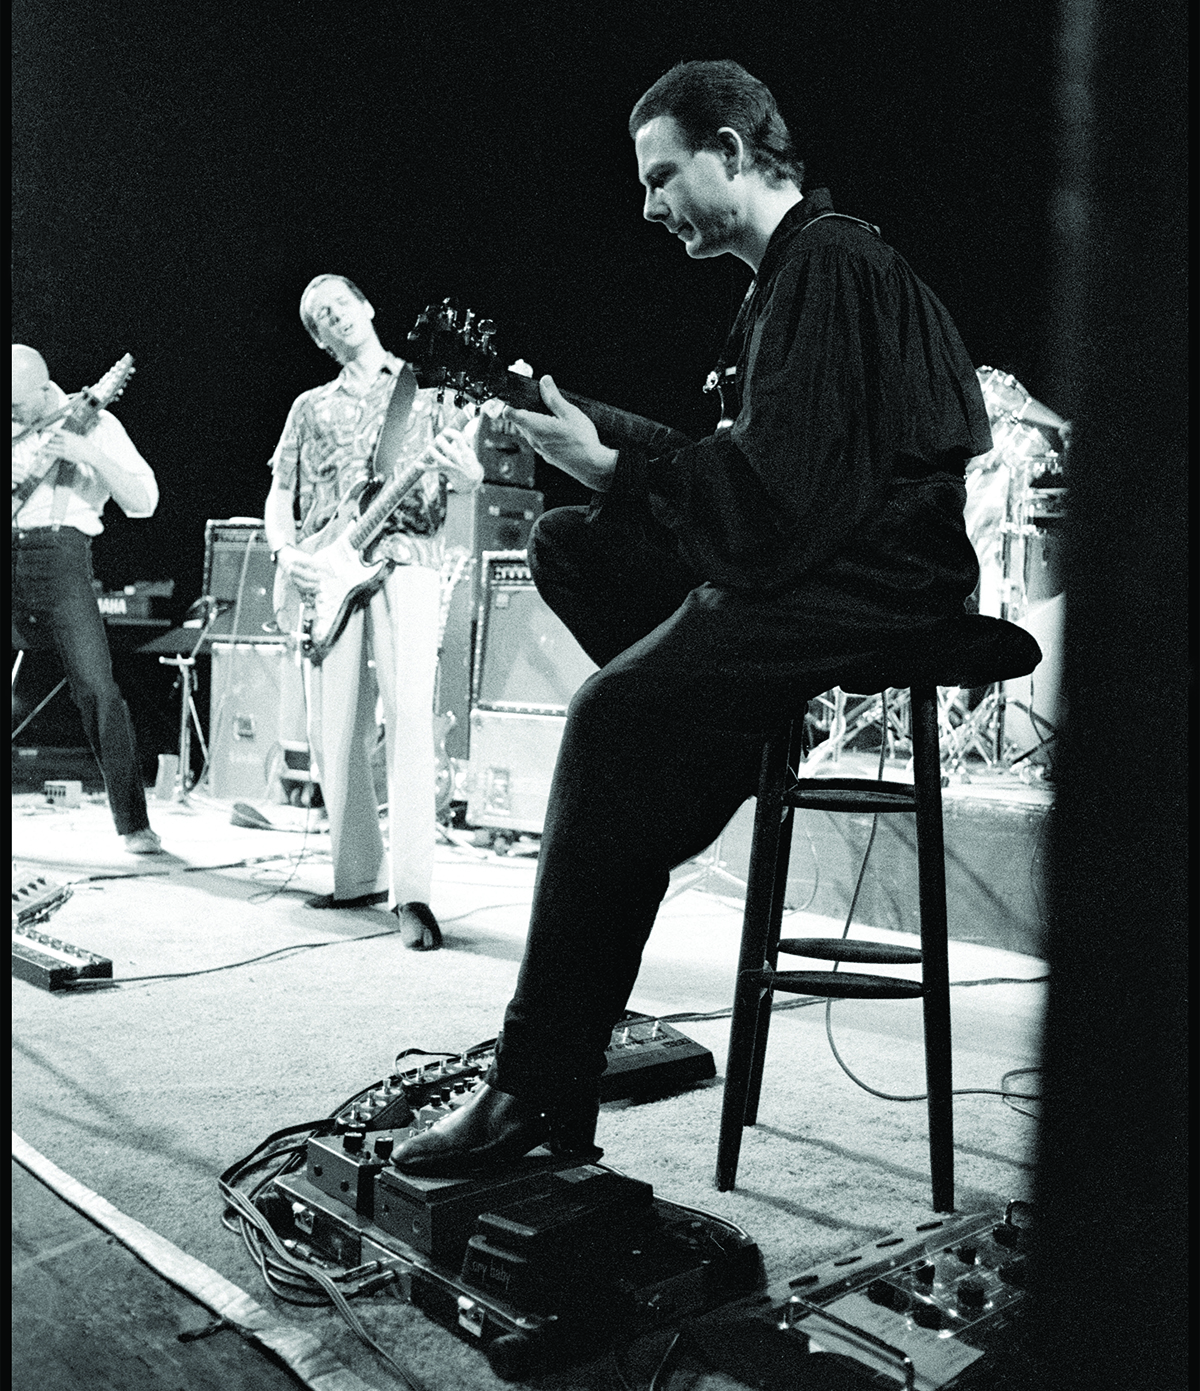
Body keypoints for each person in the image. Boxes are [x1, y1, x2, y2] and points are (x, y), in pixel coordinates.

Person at [391, 60, 991, 1171]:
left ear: (731, 149)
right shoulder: (787, 281)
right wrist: (580, 436)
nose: (648, 204)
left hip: (870, 579)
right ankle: (707, 737)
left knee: (612, 719)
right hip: (823, 554)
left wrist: (615, 465)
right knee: (567, 541)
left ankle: (535, 1086)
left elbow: (776, 503)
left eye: (663, 175)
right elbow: (747, 471)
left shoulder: (832, 262)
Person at [263, 275, 483, 949]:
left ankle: (413, 894)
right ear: (320, 338)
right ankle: (356, 871)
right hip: (324, 568)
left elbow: (468, 472)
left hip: (407, 556)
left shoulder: (430, 390)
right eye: (318, 316)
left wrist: (468, 471)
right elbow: (279, 491)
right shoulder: (308, 407)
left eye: (339, 302)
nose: (333, 315)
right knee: (336, 730)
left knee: (411, 717)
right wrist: (284, 550)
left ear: (365, 307)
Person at [12, 345, 163, 855]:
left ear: (42, 387)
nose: (10, 414)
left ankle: (133, 823)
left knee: (97, 690)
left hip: (61, 556)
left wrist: (90, 456)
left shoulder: (97, 425)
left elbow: (144, 503)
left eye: (16, 405)